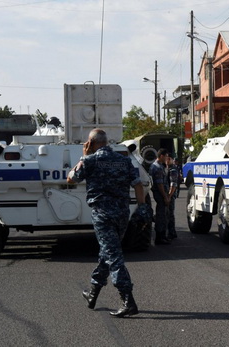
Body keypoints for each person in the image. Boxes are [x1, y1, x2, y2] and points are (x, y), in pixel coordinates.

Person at [67, 128, 145, 318]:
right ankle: (93, 293)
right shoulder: (124, 160)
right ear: (107, 142)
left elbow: (71, 179)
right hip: (122, 213)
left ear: (91, 143)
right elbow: (138, 184)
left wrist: (83, 157)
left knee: (114, 256)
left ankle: (128, 301)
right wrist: (142, 207)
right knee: (108, 252)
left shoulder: (90, 161)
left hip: (103, 214)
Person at [149, 148, 171, 245]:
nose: (167, 158)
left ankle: (162, 236)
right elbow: (160, 184)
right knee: (161, 216)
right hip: (160, 194)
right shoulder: (157, 167)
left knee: (162, 215)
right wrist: (165, 196)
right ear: (161, 156)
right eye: (166, 156)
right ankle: (159, 237)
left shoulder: (157, 166)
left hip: (160, 193)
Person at [166, 156, 179, 239]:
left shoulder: (173, 170)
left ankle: (172, 232)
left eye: (168, 159)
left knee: (170, 214)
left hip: (170, 195)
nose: (166, 160)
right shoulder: (167, 168)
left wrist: (169, 196)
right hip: (168, 195)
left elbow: (173, 184)